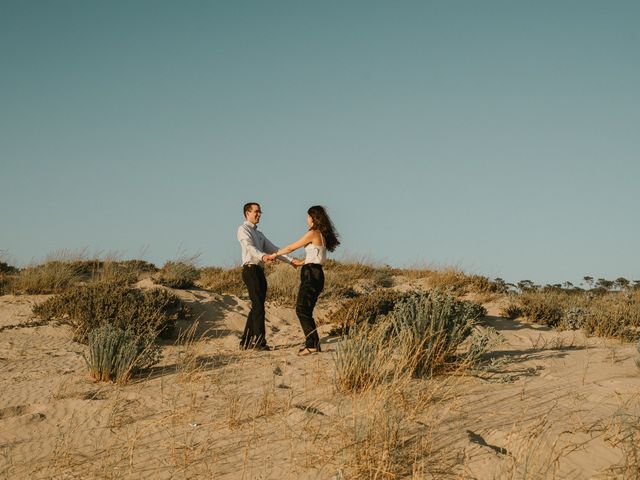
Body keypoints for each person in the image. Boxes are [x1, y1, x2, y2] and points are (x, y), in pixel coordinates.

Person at [267, 205, 340, 355]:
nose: (306, 219)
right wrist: (300, 263)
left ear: (313, 218)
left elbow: (291, 247)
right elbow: (317, 257)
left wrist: (274, 255)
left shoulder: (313, 233)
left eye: (308, 216)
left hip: (311, 275)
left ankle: (311, 345)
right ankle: (314, 344)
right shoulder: (321, 235)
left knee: (302, 310)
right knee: (305, 310)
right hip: (314, 272)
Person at [237, 202, 296, 350]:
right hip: (250, 270)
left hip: (259, 271)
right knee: (258, 307)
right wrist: (263, 257)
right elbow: (249, 247)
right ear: (247, 213)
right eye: (256, 211)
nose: (259, 214)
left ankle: (245, 341)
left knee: (258, 306)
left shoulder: (259, 234)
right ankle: (259, 342)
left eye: (260, 212)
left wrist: (291, 261)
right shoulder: (243, 229)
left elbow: (275, 249)